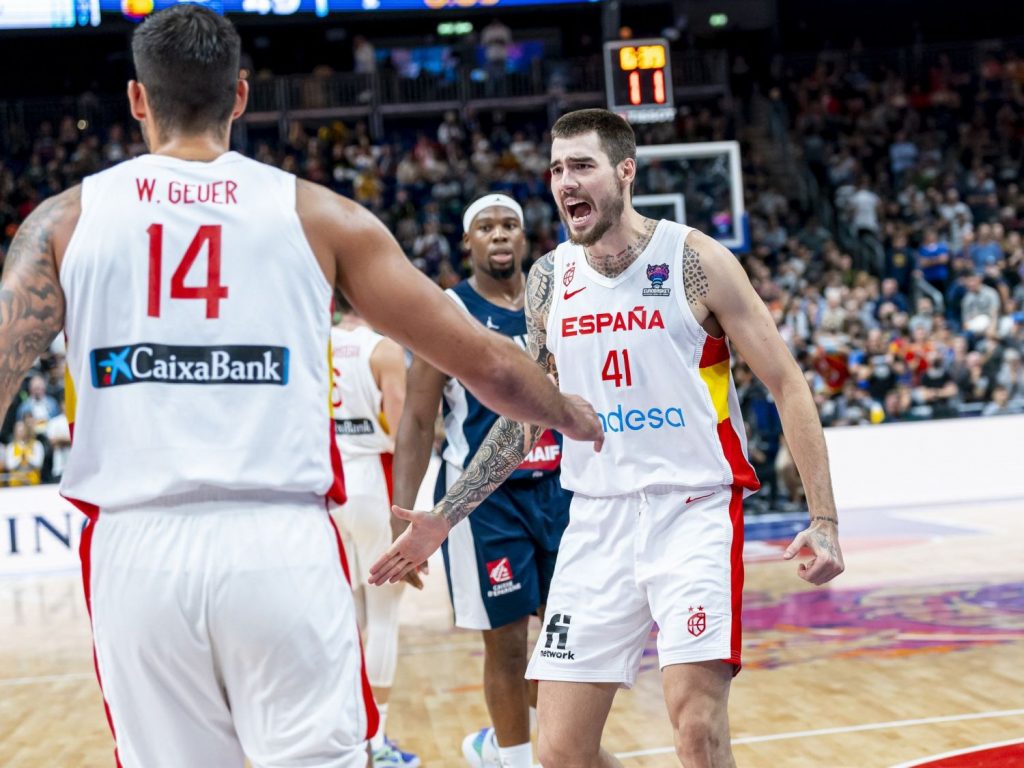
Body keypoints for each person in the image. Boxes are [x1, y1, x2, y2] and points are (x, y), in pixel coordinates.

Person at [0, 8, 601, 768]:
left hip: (134, 552)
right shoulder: (321, 215)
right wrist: (571, 413)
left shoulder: (63, 220)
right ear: (242, 97)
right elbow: (482, 361)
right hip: (277, 543)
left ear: (137, 100)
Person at [372, 108, 845, 768]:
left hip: (694, 511)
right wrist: (443, 517)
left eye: (582, 166)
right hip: (595, 519)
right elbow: (525, 415)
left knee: (697, 728)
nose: (565, 181)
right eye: (557, 169)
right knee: (561, 752)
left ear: (625, 172)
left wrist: (823, 519)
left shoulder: (695, 261)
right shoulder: (550, 278)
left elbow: (788, 384)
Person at [392, 193, 572, 768]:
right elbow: (419, 417)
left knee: (564, 641)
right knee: (508, 639)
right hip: (484, 503)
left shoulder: (557, 301)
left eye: (510, 225)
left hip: (563, 492)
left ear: (525, 238)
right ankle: (516, 760)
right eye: (486, 227)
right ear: (466, 242)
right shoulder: (447, 311)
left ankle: (523, 747)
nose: (500, 235)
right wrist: (404, 517)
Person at [330, 300, 419, 768]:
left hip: (327, 484)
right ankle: (377, 740)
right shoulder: (382, 349)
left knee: (347, 616)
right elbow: (404, 429)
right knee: (383, 616)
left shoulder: (316, 342)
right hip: (372, 478)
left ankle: (345, 733)